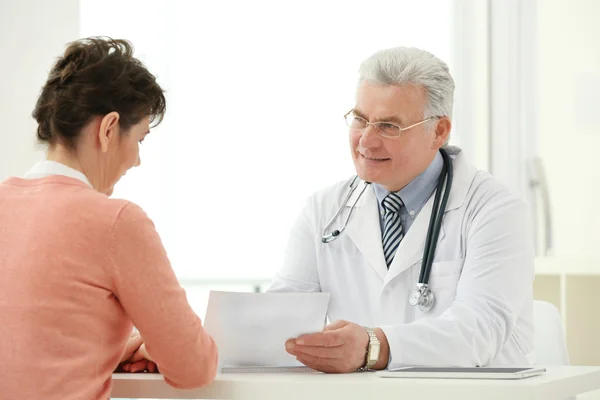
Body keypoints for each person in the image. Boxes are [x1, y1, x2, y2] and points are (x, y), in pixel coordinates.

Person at [271, 46, 534, 373]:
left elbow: (480, 329)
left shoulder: (494, 210)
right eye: (359, 120)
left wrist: (374, 346)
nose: (366, 141)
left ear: (439, 131)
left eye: (388, 126)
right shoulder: (324, 210)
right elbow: (279, 321)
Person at [0, 37, 218, 399]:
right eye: (140, 140)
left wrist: (109, 347)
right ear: (108, 129)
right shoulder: (117, 222)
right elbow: (193, 367)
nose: (136, 161)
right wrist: (146, 344)